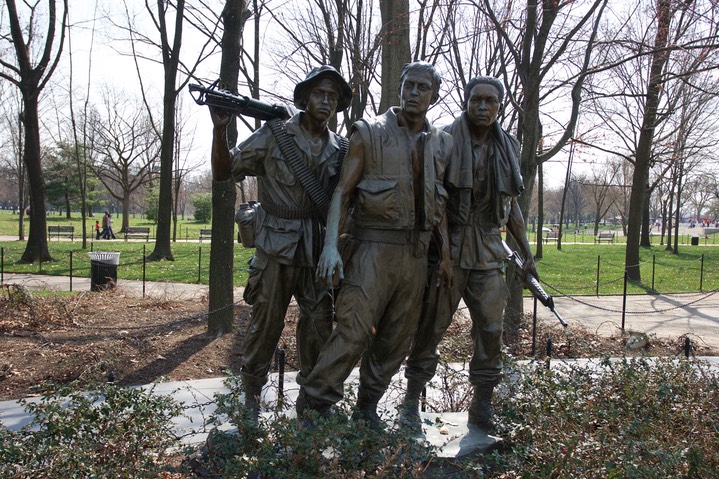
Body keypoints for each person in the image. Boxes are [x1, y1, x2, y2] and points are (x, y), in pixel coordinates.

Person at [302, 62, 454, 429]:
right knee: (352, 331)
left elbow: (439, 204)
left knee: (395, 340)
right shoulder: (369, 133)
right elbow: (343, 190)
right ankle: (314, 407)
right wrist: (330, 247)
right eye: (409, 85)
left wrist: (445, 256)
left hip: (415, 257)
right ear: (399, 88)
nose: (414, 93)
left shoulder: (442, 143)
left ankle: (367, 407)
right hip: (372, 248)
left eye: (423, 87)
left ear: (434, 95)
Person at [209, 65, 353, 420]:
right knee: (265, 323)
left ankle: (312, 400)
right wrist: (220, 130)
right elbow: (225, 172)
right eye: (319, 94)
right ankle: (250, 398)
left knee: (320, 323)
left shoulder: (342, 148)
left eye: (332, 97)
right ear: (304, 98)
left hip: (318, 249)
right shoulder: (275, 134)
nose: (325, 101)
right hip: (275, 246)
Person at [400, 76, 538, 433]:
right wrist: (444, 255)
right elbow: (436, 202)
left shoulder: (507, 146)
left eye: (490, 101)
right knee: (431, 327)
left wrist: (527, 253)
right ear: (466, 101)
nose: (482, 106)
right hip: (451, 245)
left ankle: (482, 406)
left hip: (490, 249)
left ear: (499, 106)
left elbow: (511, 208)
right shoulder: (444, 139)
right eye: (476, 99)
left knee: (491, 330)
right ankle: (411, 403)